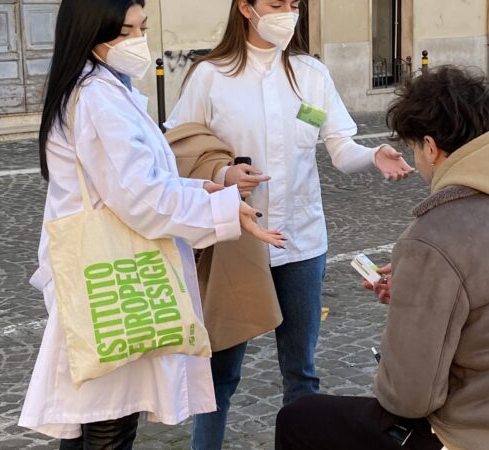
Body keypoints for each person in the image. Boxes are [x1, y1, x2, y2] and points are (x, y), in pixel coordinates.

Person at [274, 66, 489, 450]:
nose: (417, 160)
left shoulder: (436, 234)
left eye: (414, 150)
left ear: (431, 147)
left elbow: (408, 396)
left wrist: (416, 300)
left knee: (299, 418)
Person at [17, 0, 284, 447]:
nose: (137, 41)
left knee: (98, 416)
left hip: (106, 271)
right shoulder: (98, 98)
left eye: (141, 28)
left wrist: (206, 192)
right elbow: (141, 197)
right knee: (108, 419)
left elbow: (143, 181)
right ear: (91, 34)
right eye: (124, 32)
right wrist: (220, 210)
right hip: (114, 274)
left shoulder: (102, 88)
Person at [164, 0, 413, 448]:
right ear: (246, 8)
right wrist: (223, 176)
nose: (288, 12)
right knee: (220, 374)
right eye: (276, 4)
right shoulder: (210, 75)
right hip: (235, 241)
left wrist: (372, 154)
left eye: (294, 4)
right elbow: (180, 149)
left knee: (301, 373)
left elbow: (338, 145)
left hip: (301, 243)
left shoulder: (309, 75)